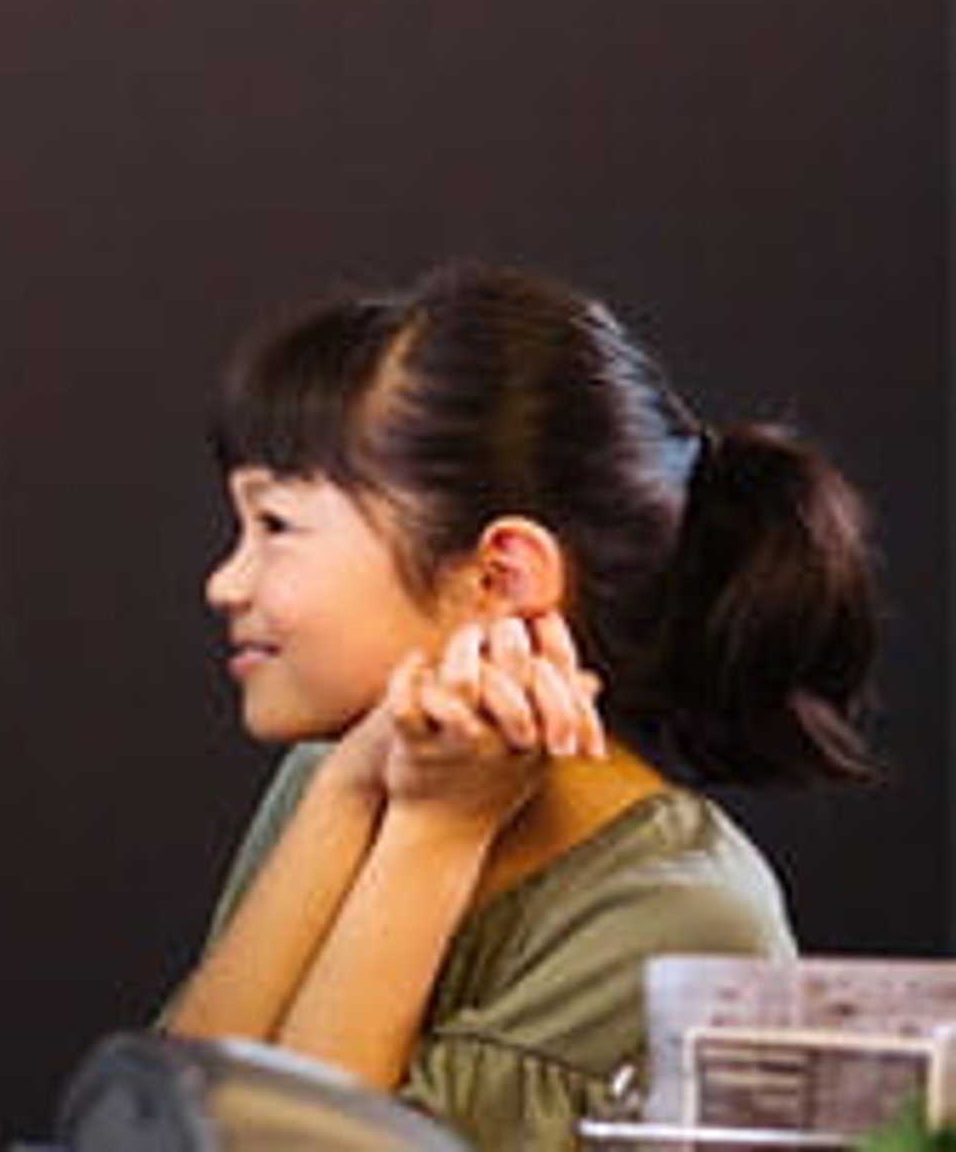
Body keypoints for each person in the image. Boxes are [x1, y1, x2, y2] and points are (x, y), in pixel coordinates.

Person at [166, 263, 880, 1147]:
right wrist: (348, 793)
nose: (224, 581)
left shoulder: (682, 918)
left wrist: (434, 837)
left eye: (275, 526)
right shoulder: (335, 776)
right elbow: (151, 1129)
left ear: (498, 577)